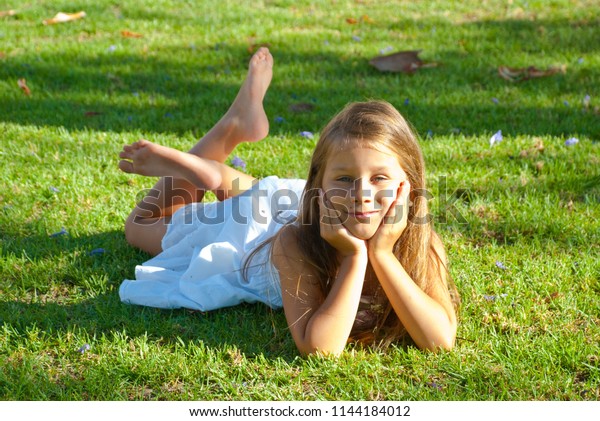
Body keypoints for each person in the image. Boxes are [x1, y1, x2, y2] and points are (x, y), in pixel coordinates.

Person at [118, 47, 459, 356]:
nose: (363, 192)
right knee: (139, 227)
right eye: (345, 178)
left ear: (409, 185)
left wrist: (381, 254)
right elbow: (320, 348)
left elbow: (439, 339)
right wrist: (357, 256)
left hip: (287, 204)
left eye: (380, 178)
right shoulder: (294, 242)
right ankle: (220, 147)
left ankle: (221, 163)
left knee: (261, 196)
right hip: (250, 234)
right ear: (318, 184)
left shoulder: (421, 244)